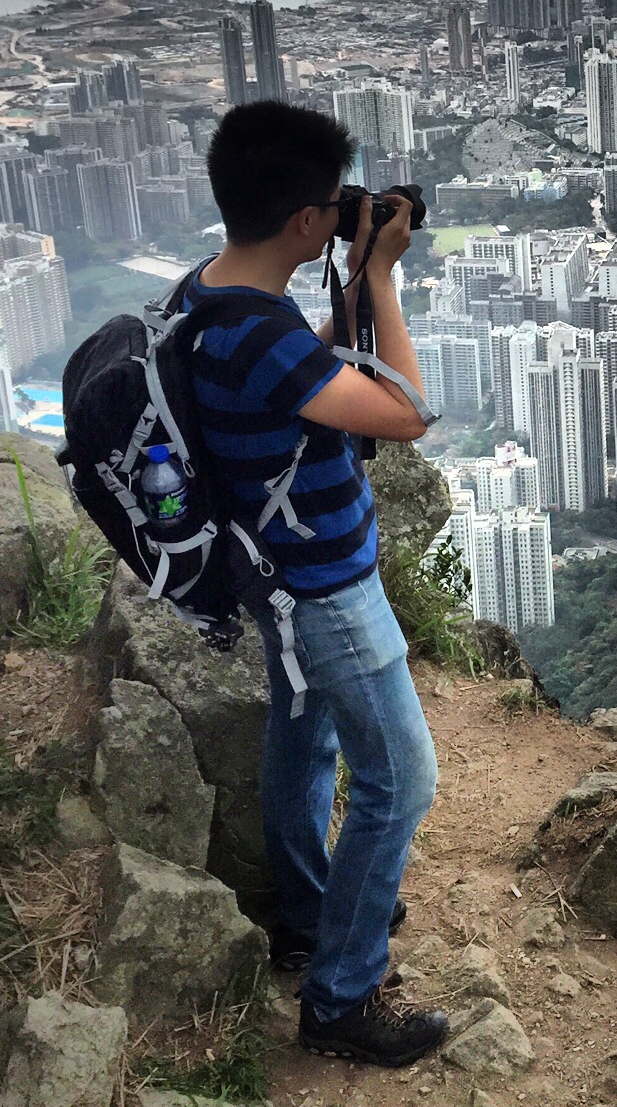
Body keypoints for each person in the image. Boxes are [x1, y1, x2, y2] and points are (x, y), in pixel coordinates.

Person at [189, 101, 445, 1064]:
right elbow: (405, 412)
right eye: (333, 203)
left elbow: (309, 374)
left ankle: (307, 915)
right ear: (304, 219)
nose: (344, 212)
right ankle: (341, 998)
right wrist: (379, 273)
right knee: (401, 776)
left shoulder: (212, 296)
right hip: (326, 588)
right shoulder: (255, 335)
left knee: (305, 738)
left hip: (276, 582)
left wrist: (347, 278)